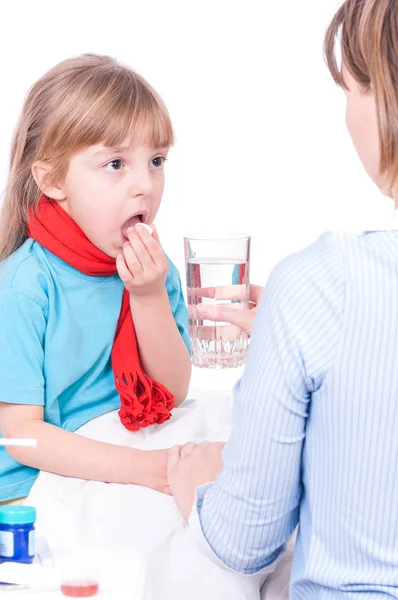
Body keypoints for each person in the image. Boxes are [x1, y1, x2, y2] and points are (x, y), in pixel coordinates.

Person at [168, 0, 398, 596]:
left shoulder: (322, 284)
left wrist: (200, 483)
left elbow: (245, 541)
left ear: (386, 97)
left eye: (351, 88)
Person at [0, 54, 191, 504]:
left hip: (119, 457)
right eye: (115, 164)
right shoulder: (25, 287)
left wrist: (148, 297)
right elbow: (21, 435)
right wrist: (147, 470)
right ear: (51, 181)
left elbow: (174, 391)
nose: (145, 184)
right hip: (33, 489)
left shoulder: (153, 270)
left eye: (156, 160)